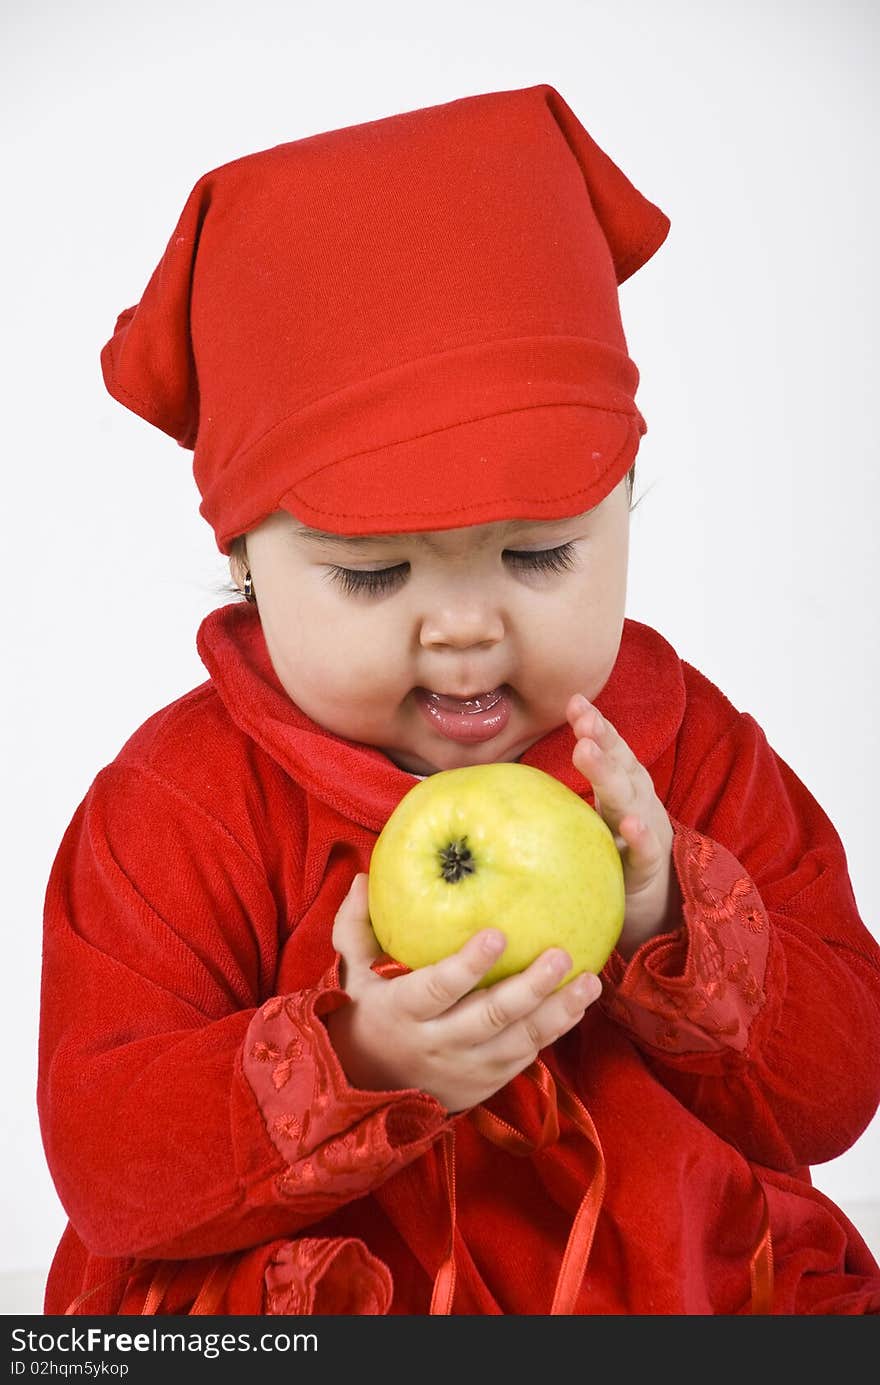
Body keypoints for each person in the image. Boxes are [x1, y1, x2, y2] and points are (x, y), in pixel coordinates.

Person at [38, 81, 880, 1317]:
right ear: (242, 561)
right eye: (375, 571)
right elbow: (108, 1166)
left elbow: (838, 1085)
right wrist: (355, 1058)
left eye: (539, 555)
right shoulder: (178, 808)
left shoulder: (682, 752)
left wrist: (665, 920)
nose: (467, 623)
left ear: (624, 503)